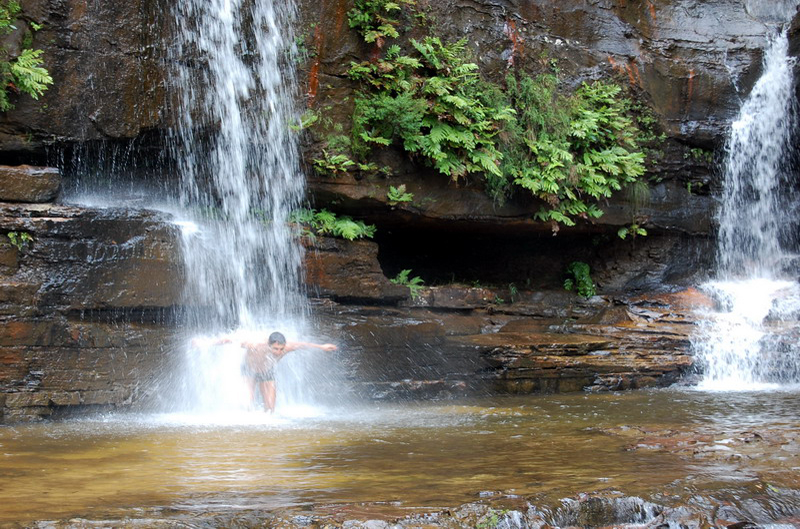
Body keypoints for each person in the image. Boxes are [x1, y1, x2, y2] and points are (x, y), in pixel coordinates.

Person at [200, 331, 337, 413]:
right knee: (248, 402)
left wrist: (322, 347)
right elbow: (228, 340)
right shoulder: (255, 344)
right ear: (268, 344)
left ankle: (266, 432)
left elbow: (303, 345)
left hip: (267, 371)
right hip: (249, 370)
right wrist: (205, 343)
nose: (278, 352)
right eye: (275, 349)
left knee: (271, 407)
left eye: (280, 349)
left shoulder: (287, 347)